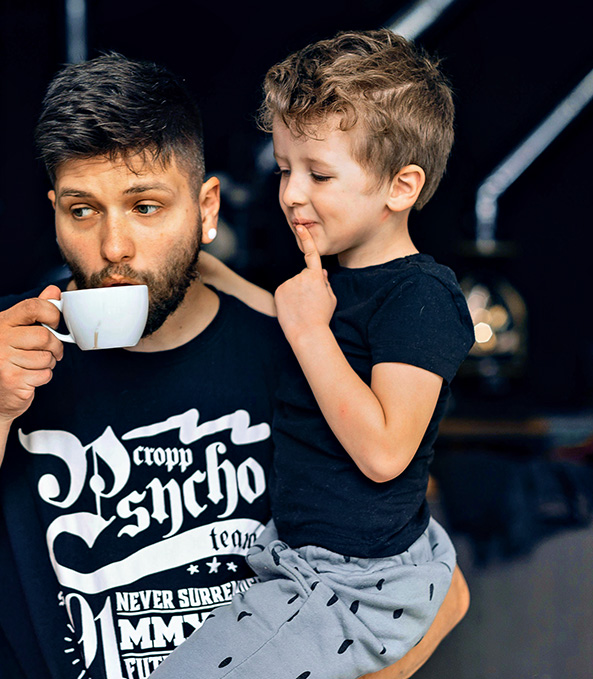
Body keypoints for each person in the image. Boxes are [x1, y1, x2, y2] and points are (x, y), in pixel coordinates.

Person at [0, 53, 467, 679]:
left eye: (145, 207)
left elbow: (437, 592)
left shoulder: (298, 351)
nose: (113, 245)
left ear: (206, 210)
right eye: (82, 209)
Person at [152, 31, 474, 678]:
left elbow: (386, 452)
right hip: (299, 562)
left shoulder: (422, 297)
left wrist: (308, 331)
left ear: (401, 186)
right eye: (285, 168)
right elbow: (303, 321)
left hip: (362, 583)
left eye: (319, 173)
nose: (293, 193)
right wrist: (201, 265)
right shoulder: (338, 283)